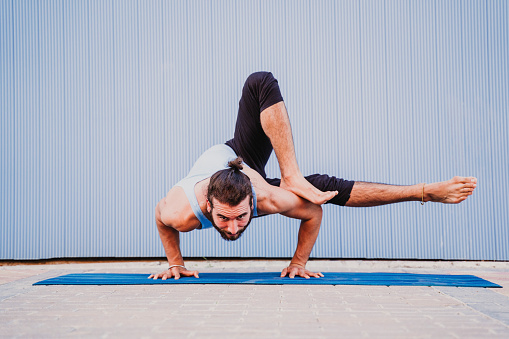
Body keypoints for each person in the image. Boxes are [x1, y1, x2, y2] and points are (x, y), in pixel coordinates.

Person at [149, 72, 477, 280]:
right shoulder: (181, 211)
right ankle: (420, 191)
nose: (234, 228)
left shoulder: (265, 197)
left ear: (254, 203)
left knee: (260, 82)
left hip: (242, 163)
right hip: (232, 158)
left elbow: (313, 212)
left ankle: (293, 175)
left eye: (242, 217)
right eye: (225, 219)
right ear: (207, 206)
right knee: (317, 188)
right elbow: (160, 218)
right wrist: (175, 263)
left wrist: (299, 261)